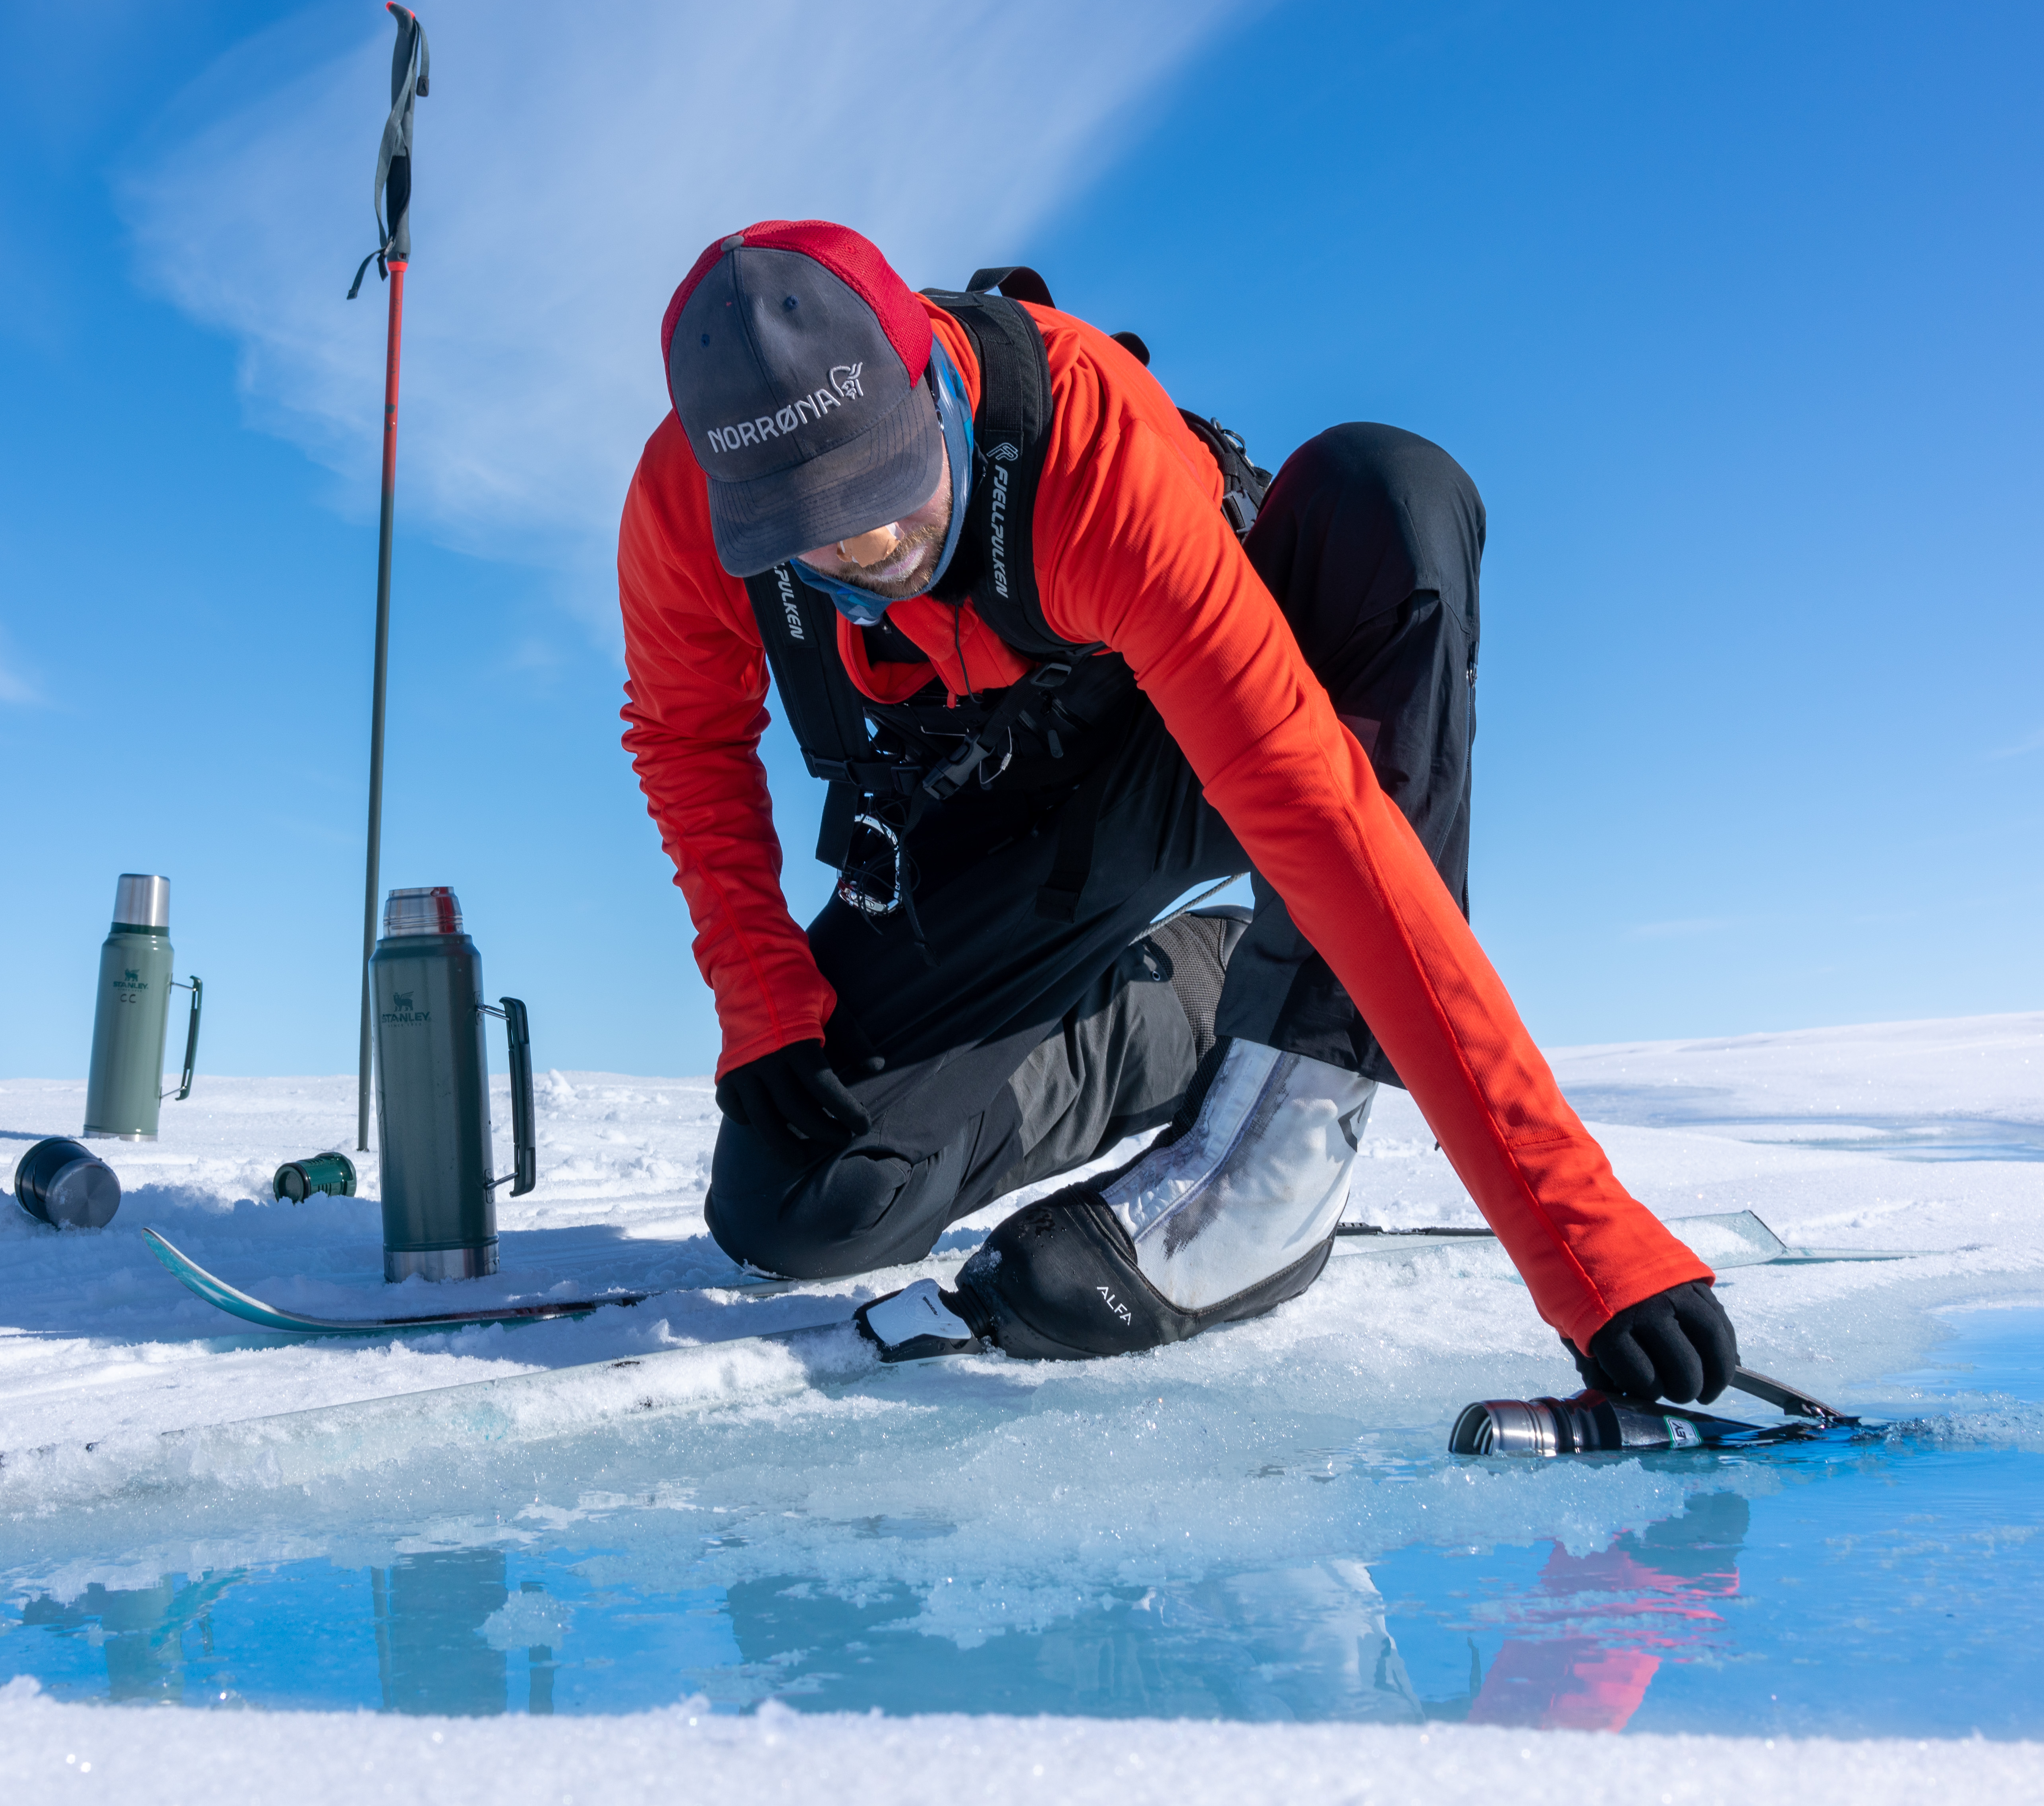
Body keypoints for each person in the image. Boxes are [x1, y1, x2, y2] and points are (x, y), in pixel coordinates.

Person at [617, 219, 1737, 1399]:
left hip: (1212, 737)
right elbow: (687, 739)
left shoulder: (1091, 451)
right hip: (994, 807)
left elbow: (1323, 820)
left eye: (887, 481)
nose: (873, 543)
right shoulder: (686, 502)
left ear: (930, 380)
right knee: (796, 1203)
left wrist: (1582, 1239)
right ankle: (1198, 999)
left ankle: (1289, 1106)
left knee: (1386, 491)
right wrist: (762, 998)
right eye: (815, 526)